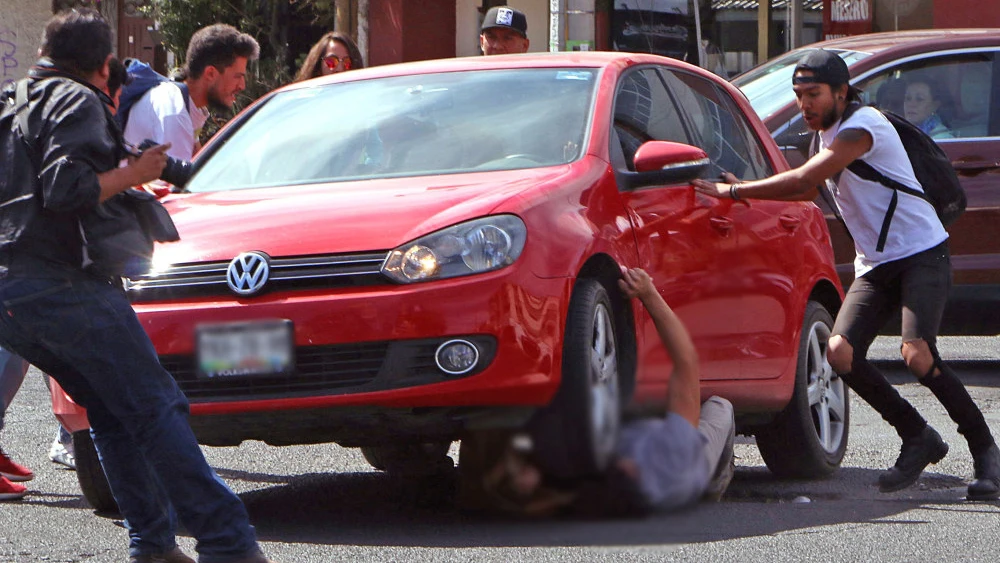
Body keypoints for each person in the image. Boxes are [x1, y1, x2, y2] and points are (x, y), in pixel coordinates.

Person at [0, 9, 272, 562]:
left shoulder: (12, 102)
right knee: (155, 405)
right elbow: (67, 188)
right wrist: (135, 173)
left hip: (11, 293)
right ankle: (226, 541)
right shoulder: (76, 99)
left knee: (108, 406)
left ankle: (152, 543)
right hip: (65, 285)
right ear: (104, 67)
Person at [691, 49, 1000, 501]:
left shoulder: (863, 126)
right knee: (840, 353)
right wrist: (750, 192)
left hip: (921, 252)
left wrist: (734, 191)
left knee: (917, 354)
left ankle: (985, 448)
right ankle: (918, 436)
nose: (805, 105)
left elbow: (802, 181)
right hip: (876, 264)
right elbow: (806, 190)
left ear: (841, 92)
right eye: (798, 96)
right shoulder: (825, 138)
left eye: (813, 94)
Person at [459, 268, 736, 516]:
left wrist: (518, 475)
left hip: (644, 474)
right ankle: (715, 483)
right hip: (690, 468)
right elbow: (685, 360)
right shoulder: (675, 457)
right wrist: (649, 294)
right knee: (721, 407)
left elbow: (556, 494)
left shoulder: (598, 481)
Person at [123, 23, 259, 162]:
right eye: (237, 76)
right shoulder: (175, 113)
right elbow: (180, 181)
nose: (242, 86)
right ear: (210, 73)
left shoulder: (189, 104)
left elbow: (196, 164)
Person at [294, 31, 364, 82]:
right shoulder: (306, 99)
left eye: (347, 63)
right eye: (331, 61)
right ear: (318, 68)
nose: (339, 69)